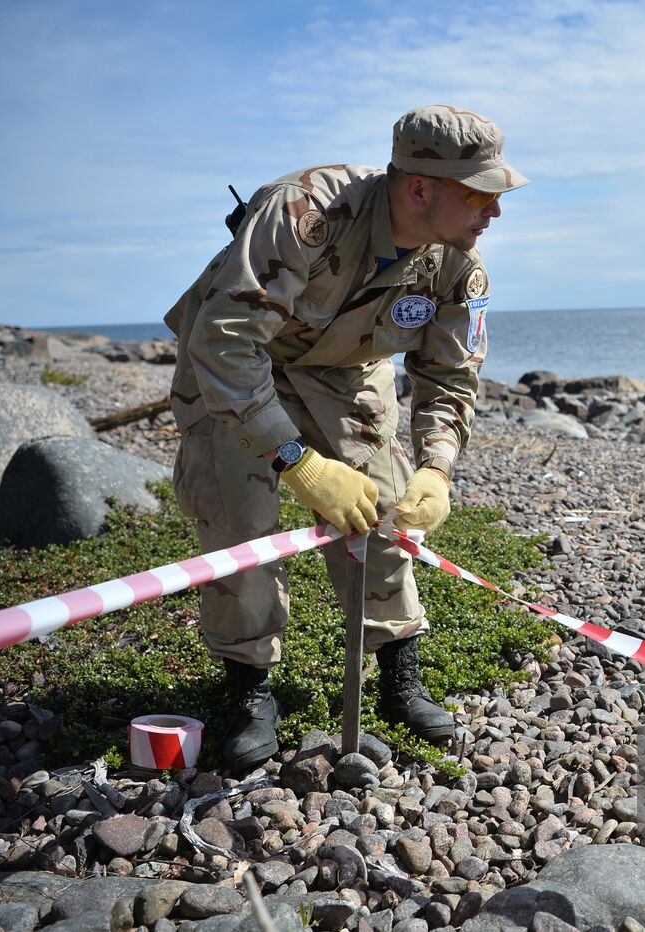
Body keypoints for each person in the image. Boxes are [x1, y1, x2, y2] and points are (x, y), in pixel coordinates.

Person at [163, 104, 527, 772]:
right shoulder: (303, 213)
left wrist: (437, 470)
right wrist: (297, 460)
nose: (495, 212)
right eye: (481, 194)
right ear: (420, 188)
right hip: (237, 365)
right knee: (241, 528)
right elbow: (226, 343)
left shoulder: (458, 265)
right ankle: (248, 688)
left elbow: (449, 376)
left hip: (345, 369)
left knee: (387, 511)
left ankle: (398, 677)